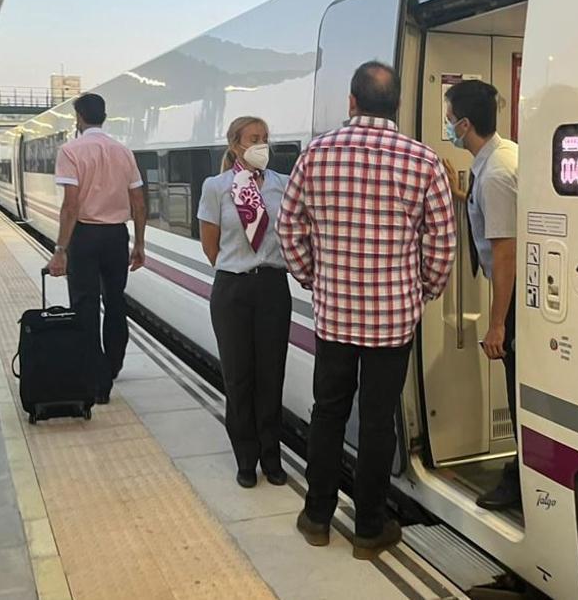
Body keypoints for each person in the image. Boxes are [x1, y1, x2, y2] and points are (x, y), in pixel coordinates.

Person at [280, 61, 456, 559]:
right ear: (395, 105)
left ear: (351, 102)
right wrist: (419, 290)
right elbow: (442, 246)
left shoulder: (316, 154)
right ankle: (368, 528)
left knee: (328, 412)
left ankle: (317, 516)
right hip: (393, 321)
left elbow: (288, 231)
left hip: (334, 317)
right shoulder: (424, 161)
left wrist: (316, 278)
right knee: (378, 423)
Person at [198, 116, 292, 489]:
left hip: (272, 286)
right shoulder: (216, 187)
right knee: (238, 377)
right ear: (236, 144)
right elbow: (210, 245)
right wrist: (237, 267)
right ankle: (245, 459)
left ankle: (272, 457)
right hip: (232, 290)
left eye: (266, 138)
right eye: (254, 138)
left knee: (271, 376)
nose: (262, 145)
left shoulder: (282, 185)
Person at [442, 80, 521, 510]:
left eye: (450, 119)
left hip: (513, 307)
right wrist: (455, 190)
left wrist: (496, 324)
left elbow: (505, 254)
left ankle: (520, 482)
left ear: (466, 123)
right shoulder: (497, 160)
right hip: (510, 300)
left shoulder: (496, 173)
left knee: (515, 392)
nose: (448, 125)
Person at [46, 93, 147, 404]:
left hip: (85, 237)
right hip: (117, 237)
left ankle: (97, 379)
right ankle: (113, 364)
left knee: (85, 306)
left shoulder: (71, 150)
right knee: (116, 303)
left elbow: (70, 205)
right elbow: (139, 202)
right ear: (103, 115)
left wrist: (61, 249)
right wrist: (139, 242)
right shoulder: (123, 151)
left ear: (79, 117)